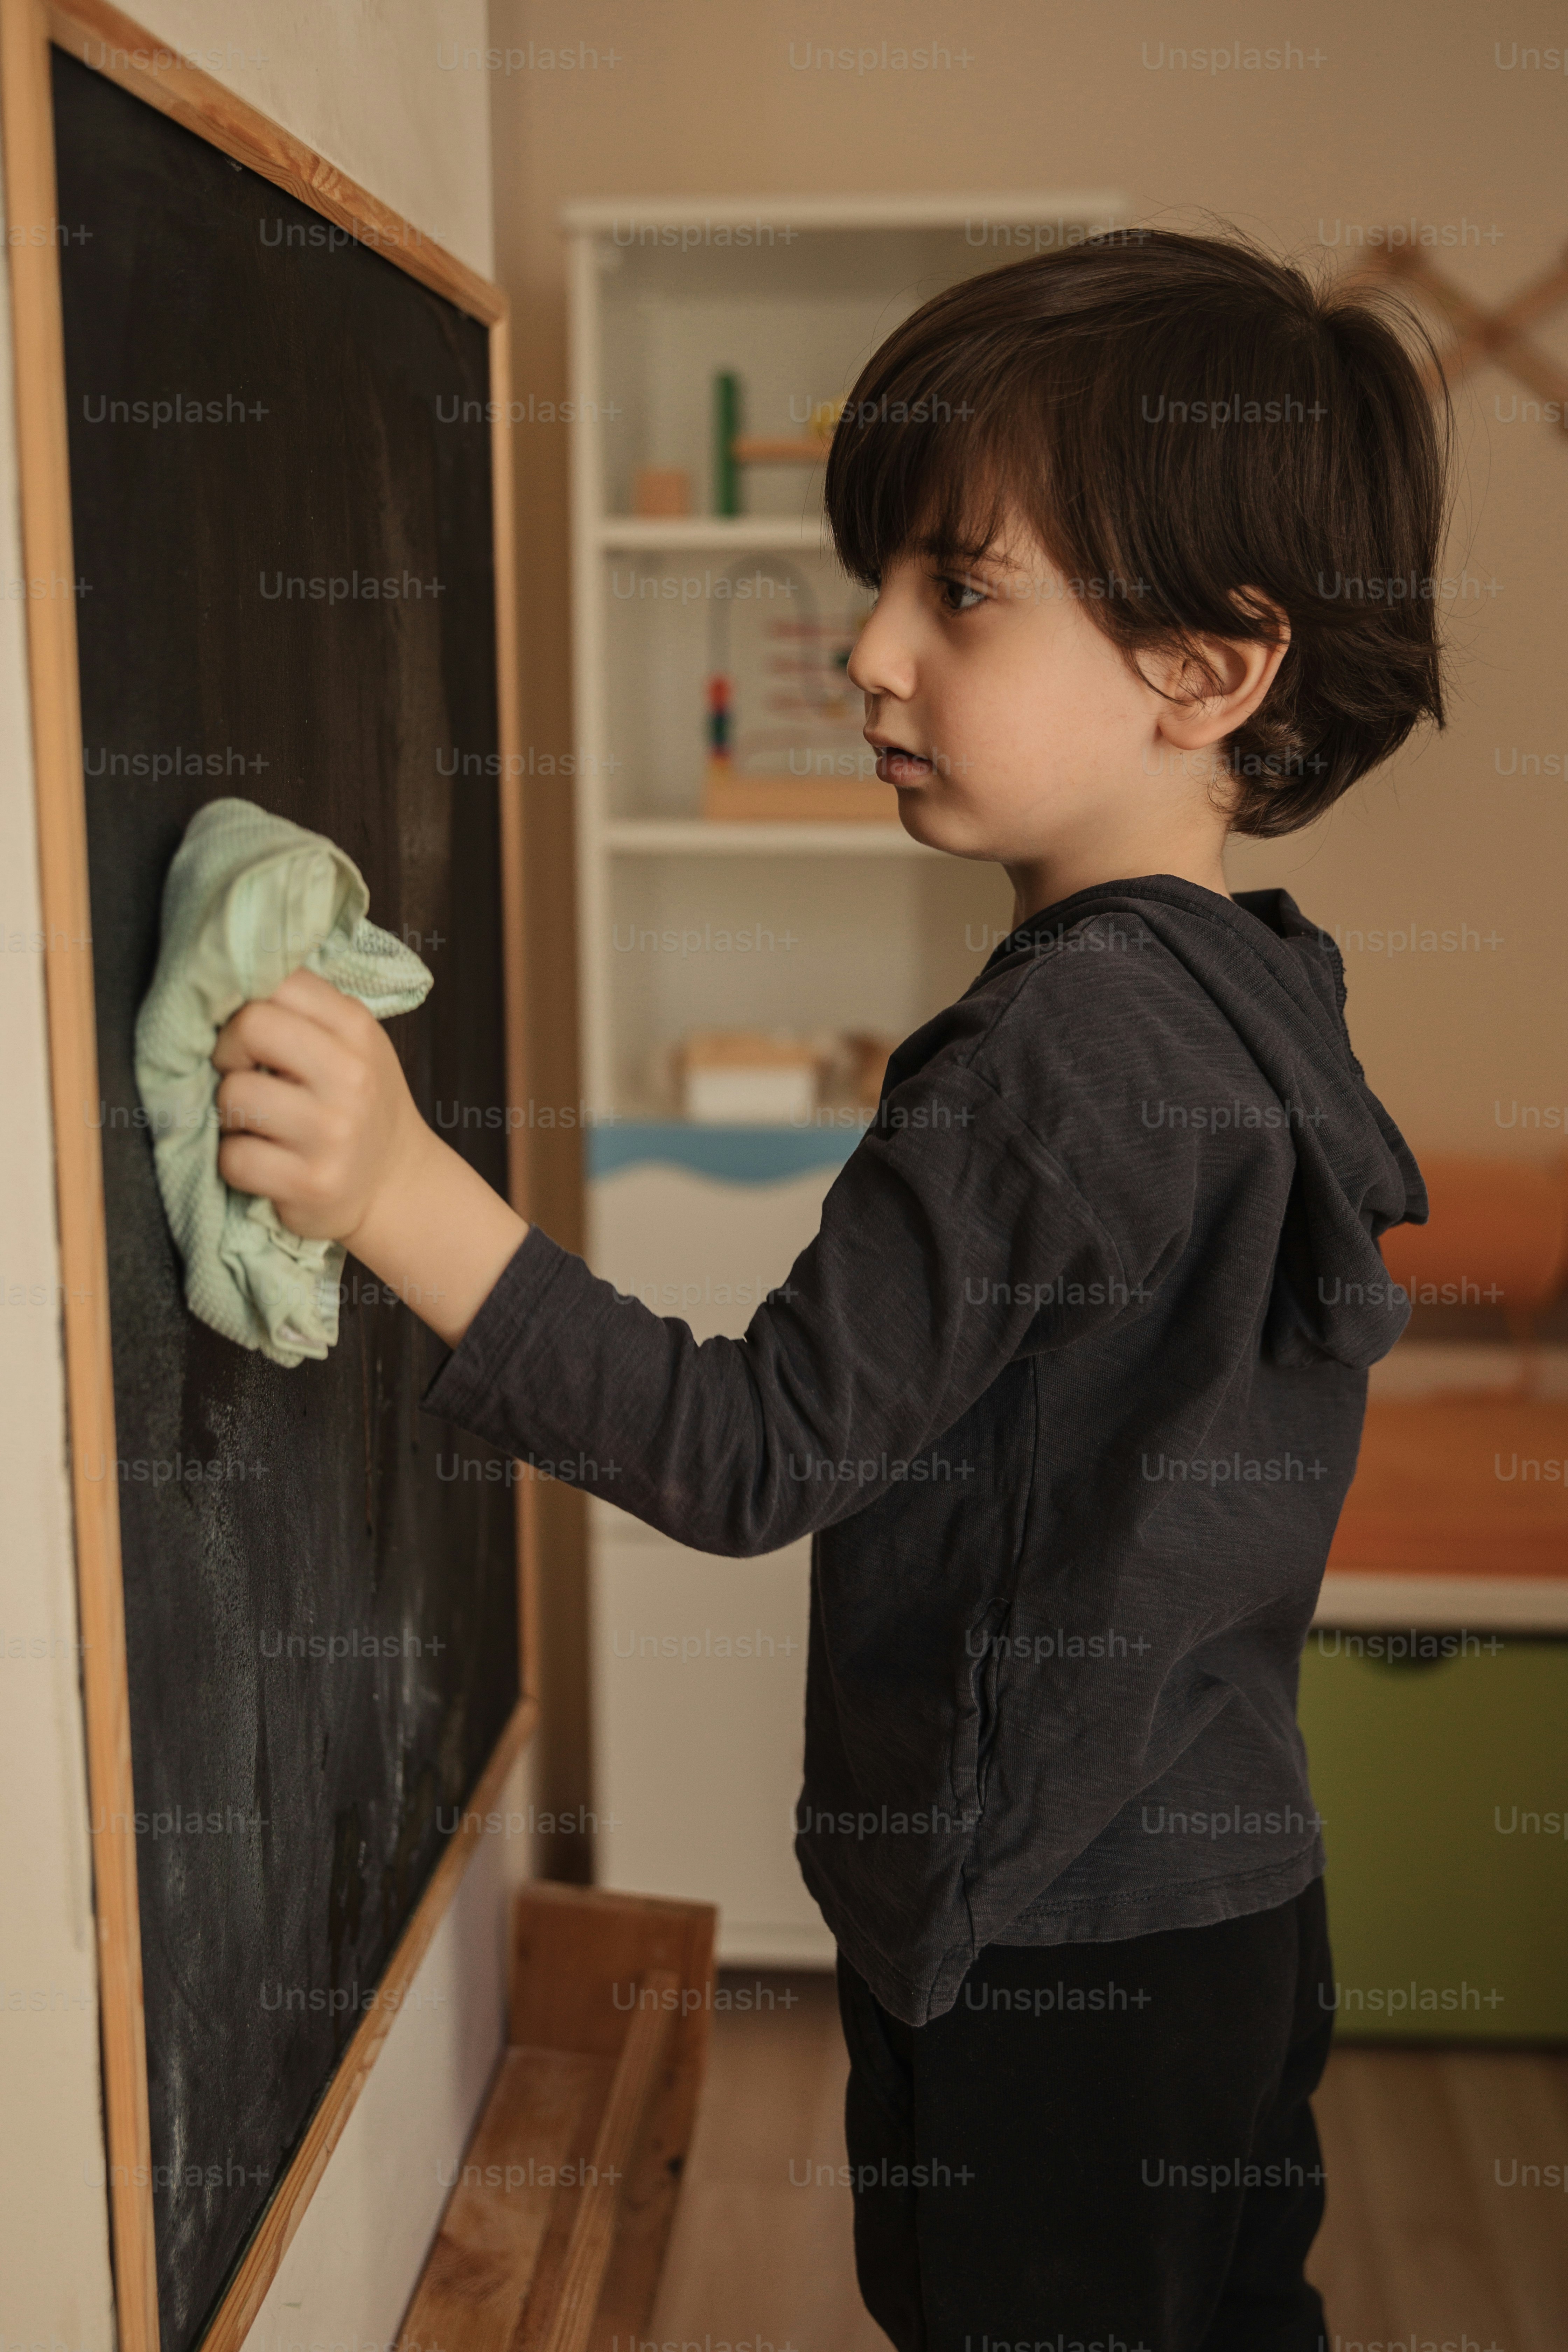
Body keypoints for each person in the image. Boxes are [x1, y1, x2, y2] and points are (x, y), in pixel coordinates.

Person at [211, 230, 1447, 2352]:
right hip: (1231, 1899)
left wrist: (403, 1194)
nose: (867, 652)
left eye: (958, 591)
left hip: (1045, 1942)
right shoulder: (1267, 992)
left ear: (1210, 672)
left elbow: (756, 1444)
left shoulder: (1066, 1050)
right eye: (883, 580)